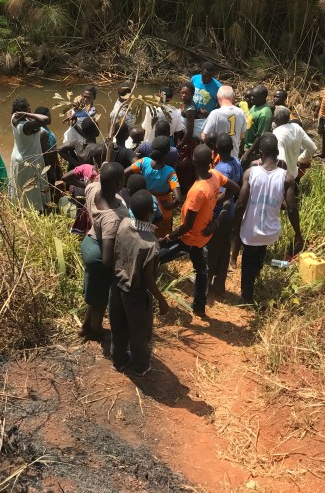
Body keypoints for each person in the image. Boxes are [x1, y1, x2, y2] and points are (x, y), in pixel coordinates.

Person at [160, 144, 239, 317]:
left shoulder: (197, 191)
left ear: (194, 161)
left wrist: (168, 237)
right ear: (211, 161)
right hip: (204, 235)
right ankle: (199, 307)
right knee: (201, 270)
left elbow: (187, 226)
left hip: (189, 237)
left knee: (157, 257)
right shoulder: (216, 176)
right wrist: (215, 207)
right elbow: (235, 189)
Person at [236, 133, 303, 303]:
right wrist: (298, 233)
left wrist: (235, 226)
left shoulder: (250, 173)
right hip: (271, 232)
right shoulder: (287, 177)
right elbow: (292, 208)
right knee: (260, 251)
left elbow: (240, 204)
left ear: (261, 153)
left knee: (248, 260)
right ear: (277, 153)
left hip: (250, 231)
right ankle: (256, 277)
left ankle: (246, 297)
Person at [110, 190, 169, 376]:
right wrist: (161, 299)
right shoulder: (151, 245)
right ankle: (140, 367)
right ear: (151, 213)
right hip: (135, 295)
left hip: (117, 287)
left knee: (118, 328)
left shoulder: (124, 223)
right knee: (139, 334)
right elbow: (148, 279)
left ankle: (118, 361)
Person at [80, 163, 130, 340]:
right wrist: (119, 273)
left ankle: (86, 325)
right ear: (117, 184)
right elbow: (107, 259)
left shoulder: (93, 188)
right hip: (99, 254)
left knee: (94, 290)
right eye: (123, 179)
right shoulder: (112, 217)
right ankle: (96, 330)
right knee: (101, 298)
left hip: (89, 242)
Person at [207, 133, 243, 300]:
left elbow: (225, 197)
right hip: (231, 211)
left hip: (221, 213)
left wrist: (212, 201)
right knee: (224, 248)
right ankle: (220, 283)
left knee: (213, 249)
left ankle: (206, 284)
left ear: (217, 150)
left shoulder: (220, 169)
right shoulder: (236, 162)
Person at [126, 136, 181, 239]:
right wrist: (169, 206)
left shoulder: (143, 162)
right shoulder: (170, 172)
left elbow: (124, 172)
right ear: (168, 152)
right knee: (162, 237)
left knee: (146, 235)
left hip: (146, 204)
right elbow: (178, 199)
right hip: (163, 211)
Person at [10, 98, 51, 211]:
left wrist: (24, 114)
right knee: (31, 189)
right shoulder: (25, 125)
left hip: (18, 157)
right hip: (29, 160)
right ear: (23, 110)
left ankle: (20, 208)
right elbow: (46, 120)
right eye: (28, 107)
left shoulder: (14, 119)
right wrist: (27, 113)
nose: (30, 108)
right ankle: (33, 210)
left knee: (21, 187)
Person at [201, 85, 247, 158]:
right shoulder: (241, 112)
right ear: (233, 97)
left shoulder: (215, 114)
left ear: (218, 97)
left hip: (218, 158)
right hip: (234, 156)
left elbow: (205, 136)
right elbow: (242, 136)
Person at [272, 106, 318, 176]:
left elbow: (281, 162)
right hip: (294, 173)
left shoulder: (276, 133)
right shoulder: (297, 128)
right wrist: (301, 159)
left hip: (283, 178)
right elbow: (313, 148)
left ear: (275, 119)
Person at [177, 81, 200, 196]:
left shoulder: (190, 109)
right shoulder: (185, 104)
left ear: (192, 95)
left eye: (187, 93)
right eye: (182, 93)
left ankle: (186, 188)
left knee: (186, 164)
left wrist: (181, 144)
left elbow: (190, 130)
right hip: (185, 137)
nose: (183, 95)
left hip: (189, 140)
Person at [242, 85, 274, 164]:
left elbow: (260, 137)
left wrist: (247, 153)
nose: (251, 98)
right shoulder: (255, 105)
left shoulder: (264, 114)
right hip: (245, 147)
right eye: (251, 95)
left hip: (253, 152)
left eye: (254, 96)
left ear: (263, 97)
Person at [36, 106, 61, 188]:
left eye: (50, 115)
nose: (50, 118)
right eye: (48, 116)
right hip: (48, 164)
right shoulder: (42, 132)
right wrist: (49, 170)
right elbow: (44, 153)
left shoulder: (46, 128)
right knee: (49, 183)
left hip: (52, 162)